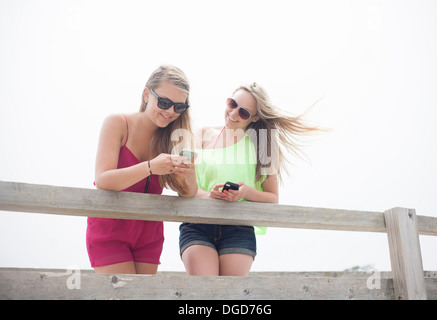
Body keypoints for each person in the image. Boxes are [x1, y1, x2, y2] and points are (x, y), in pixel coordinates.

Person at [179, 82, 320, 276]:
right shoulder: (202, 134)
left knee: (230, 296)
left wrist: (245, 192)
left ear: (254, 118)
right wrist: (209, 196)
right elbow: (187, 187)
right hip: (197, 225)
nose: (234, 113)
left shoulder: (262, 145)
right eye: (232, 104)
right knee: (205, 294)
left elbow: (272, 198)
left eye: (244, 112)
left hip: (238, 229)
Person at [86, 65, 197, 275]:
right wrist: (150, 167)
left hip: (149, 234)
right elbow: (103, 180)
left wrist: (189, 173)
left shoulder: (174, 137)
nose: (170, 112)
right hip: (110, 230)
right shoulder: (117, 122)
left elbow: (188, 192)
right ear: (147, 94)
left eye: (179, 107)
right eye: (164, 102)